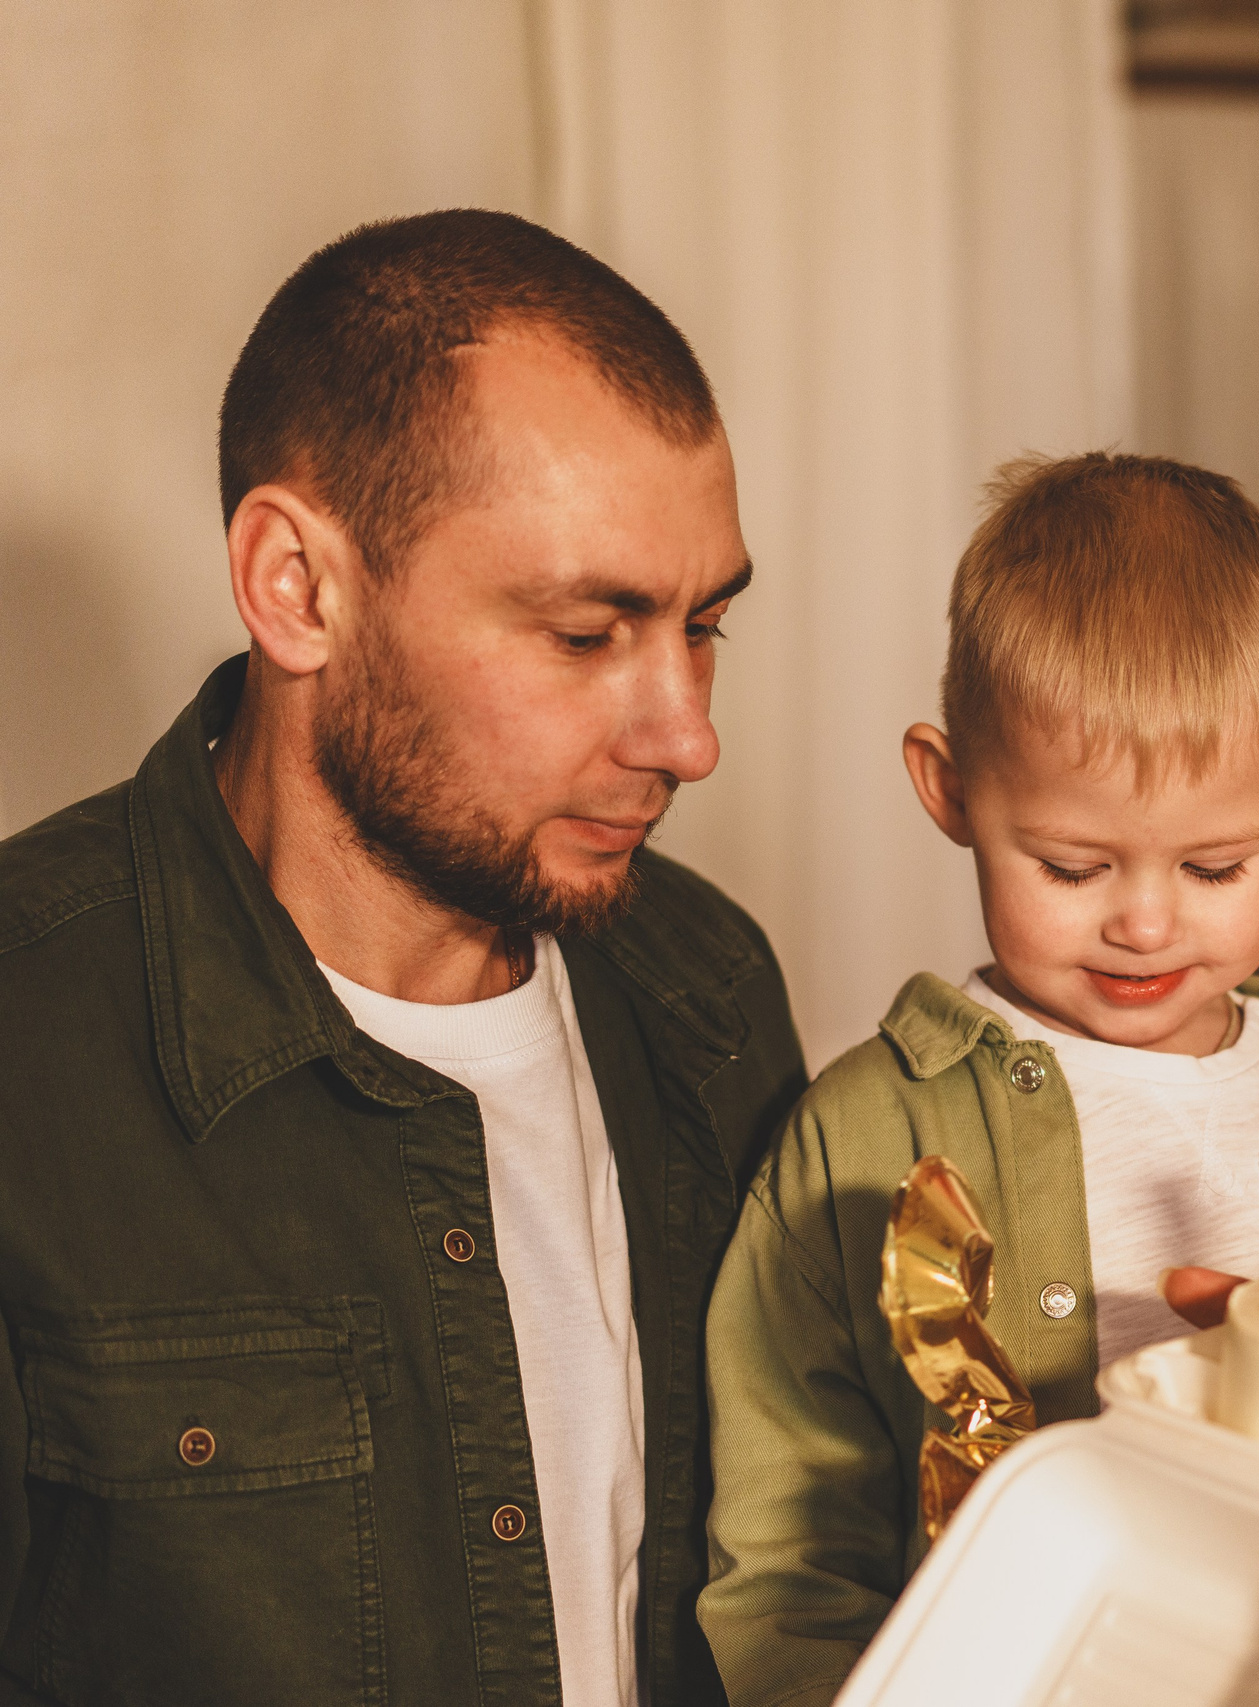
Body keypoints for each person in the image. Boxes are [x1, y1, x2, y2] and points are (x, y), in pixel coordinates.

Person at [0, 211, 806, 1705]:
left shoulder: (710, 990)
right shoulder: (28, 1056)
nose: (687, 733)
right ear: (297, 587)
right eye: (586, 633)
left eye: (705, 627)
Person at [696, 453, 1259, 1707]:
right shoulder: (862, 1138)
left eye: (1219, 866)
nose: (1145, 924)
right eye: (1072, 867)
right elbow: (787, 1554)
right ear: (948, 788)